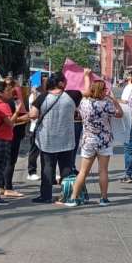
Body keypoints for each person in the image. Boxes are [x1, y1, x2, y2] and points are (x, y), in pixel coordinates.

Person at [65, 81, 122, 207]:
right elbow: (119, 113)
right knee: (103, 171)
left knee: (83, 172)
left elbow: (78, 115)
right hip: (104, 141)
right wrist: (114, 100)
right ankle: (103, 198)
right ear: (101, 91)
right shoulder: (106, 104)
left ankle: (73, 198)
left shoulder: (83, 103)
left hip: (88, 141)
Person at [27, 72, 77, 204]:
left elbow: (33, 115)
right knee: (66, 168)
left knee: (47, 167)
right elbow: (89, 91)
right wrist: (87, 76)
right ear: (60, 83)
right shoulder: (72, 95)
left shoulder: (43, 97)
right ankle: (68, 194)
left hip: (48, 139)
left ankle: (46, 196)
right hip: (67, 139)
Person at [0, 79, 22, 204]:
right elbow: (10, 123)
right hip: (2, 139)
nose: (10, 92)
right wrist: (18, 111)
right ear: (1, 93)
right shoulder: (3, 105)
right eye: (8, 90)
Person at [26, 76, 46, 182]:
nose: (44, 85)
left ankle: (46, 171)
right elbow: (34, 109)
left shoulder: (43, 95)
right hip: (34, 127)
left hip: (43, 128)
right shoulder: (33, 96)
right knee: (34, 151)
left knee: (45, 151)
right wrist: (34, 93)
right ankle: (31, 172)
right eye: (43, 83)